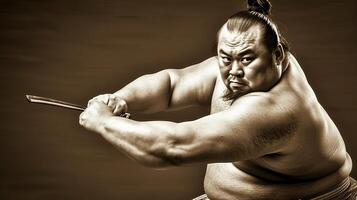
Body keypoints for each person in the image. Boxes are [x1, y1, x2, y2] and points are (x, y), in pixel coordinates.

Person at [79, 0, 357, 199]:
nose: (234, 71)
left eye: (247, 59)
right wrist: (119, 100)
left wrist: (102, 121)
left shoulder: (278, 109)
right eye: (225, 58)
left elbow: (170, 147)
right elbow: (170, 85)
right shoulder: (240, 70)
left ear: (278, 56)